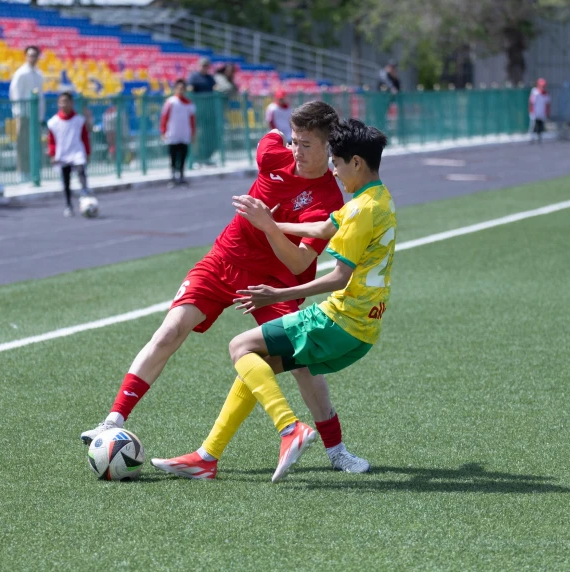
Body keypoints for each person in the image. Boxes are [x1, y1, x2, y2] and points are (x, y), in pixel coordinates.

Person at [80, 102, 371, 475]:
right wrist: (281, 140)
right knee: (170, 330)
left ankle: (336, 451)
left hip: (275, 281)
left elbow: (299, 263)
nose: (296, 151)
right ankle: (113, 421)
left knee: (303, 361)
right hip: (222, 261)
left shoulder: (327, 199)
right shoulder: (273, 153)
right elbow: (271, 138)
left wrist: (268, 224)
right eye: (295, 141)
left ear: (329, 147)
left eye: (307, 145)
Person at [152, 119, 394, 482]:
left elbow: (339, 276)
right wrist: (270, 222)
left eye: (338, 163)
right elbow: (320, 228)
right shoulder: (377, 199)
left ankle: (289, 428)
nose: (334, 170)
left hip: (340, 320)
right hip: (364, 327)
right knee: (258, 364)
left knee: (240, 347)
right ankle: (207, 457)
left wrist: (278, 294)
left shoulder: (360, 211)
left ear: (357, 163)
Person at [47, 92, 91, 217]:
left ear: (72, 103)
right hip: (63, 153)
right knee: (66, 181)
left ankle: (85, 195)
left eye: (66, 101)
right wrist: (52, 154)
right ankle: (68, 205)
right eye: (61, 102)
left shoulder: (79, 120)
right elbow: (51, 140)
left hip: (77, 152)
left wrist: (87, 152)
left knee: (81, 173)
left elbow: (85, 138)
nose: (63, 104)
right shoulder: (53, 122)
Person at [9, 46, 44, 178]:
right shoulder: (21, 73)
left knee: (33, 144)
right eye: (30, 55)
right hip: (24, 115)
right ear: (25, 56)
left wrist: (40, 115)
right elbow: (15, 94)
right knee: (22, 143)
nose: (32, 58)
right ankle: (22, 171)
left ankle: (32, 170)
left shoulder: (39, 74)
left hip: (35, 115)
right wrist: (19, 114)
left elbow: (40, 96)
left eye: (35, 55)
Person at [160, 79, 195, 188]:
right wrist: (163, 131)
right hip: (173, 133)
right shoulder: (170, 102)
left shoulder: (189, 104)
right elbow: (164, 118)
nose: (181, 90)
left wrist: (193, 133)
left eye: (182, 88)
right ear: (175, 89)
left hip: (184, 133)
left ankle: (181, 176)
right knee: (173, 156)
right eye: (179, 88)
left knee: (183, 156)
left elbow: (192, 120)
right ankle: (173, 177)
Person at [187, 57, 217, 166]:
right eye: (203, 66)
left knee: (209, 135)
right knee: (199, 135)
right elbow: (190, 90)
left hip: (209, 112)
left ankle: (206, 157)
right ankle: (197, 157)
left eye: (206, 66)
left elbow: (215, 88)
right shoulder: (194, 77)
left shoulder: (210, 78)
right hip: (198, 111)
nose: (205, 68)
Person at [528, 78, 551, 144]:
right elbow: (531, 102)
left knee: (540, 126)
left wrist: (547, 112)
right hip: (535, 112)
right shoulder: (535, 92)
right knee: (533, 126)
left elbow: (548, 104)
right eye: (541, 86)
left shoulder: (545, 94)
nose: (543, 87)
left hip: (541, 113)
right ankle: (531, 138)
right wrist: (531, 110)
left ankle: (539, 138)